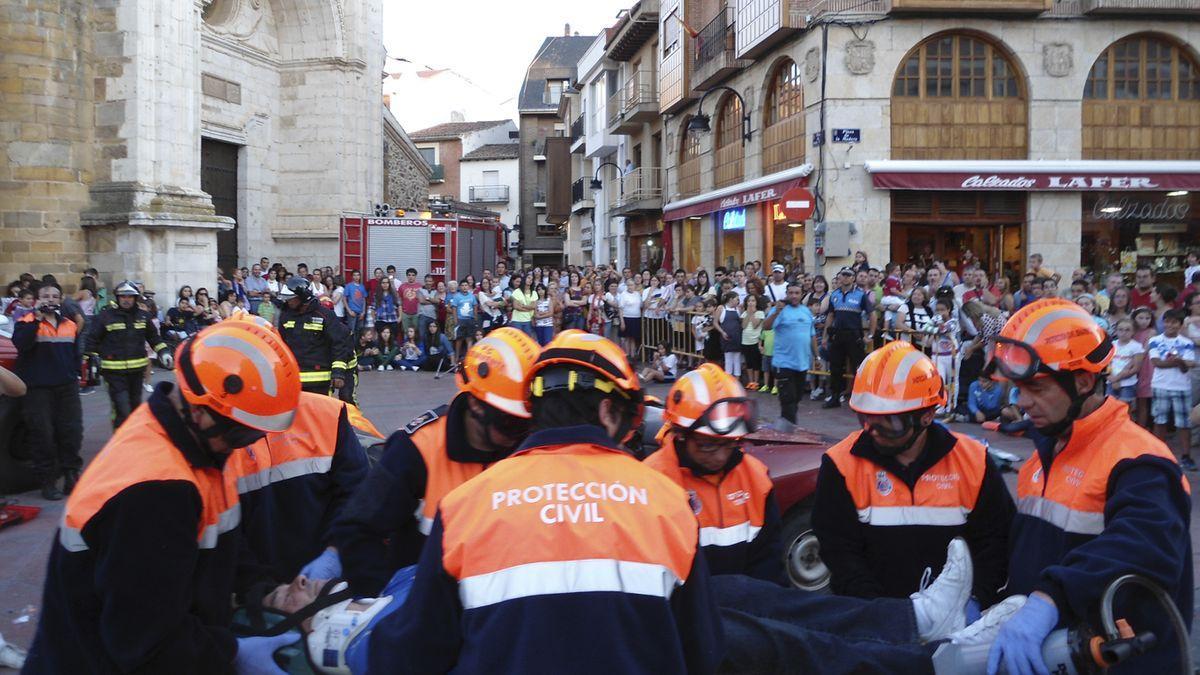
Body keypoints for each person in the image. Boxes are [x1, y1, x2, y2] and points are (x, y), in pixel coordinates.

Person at [367, 330, 723, 673]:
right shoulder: (671, 505)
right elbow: (703, 652)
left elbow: (414, 654)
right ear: (606, 411)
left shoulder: (464, 506)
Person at [22, 322, 302, 673]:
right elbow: (145, 643)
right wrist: (230, 652)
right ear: (200, 412)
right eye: (244, 435)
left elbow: (216, 538)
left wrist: (263, 590)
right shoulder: (156, 493)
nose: (245, 445)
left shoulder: (190, 441)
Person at [987, 297, 1193, 673]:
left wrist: (1049, 600)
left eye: (1037, 388)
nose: (1023, 402)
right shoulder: (1046, 452)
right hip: (1059, 656)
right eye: (1018, 388)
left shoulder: (1141, 460)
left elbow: (1144, 546)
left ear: (1083, 381)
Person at [329, 328, 540, 596]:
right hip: (428, 602)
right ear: (475, 404)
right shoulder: (417, 450)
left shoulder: (527, 447)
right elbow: (358, 530)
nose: (519, 437)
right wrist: (387, 604)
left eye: (528, 425)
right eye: (510, 424)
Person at [813, 341, 1014, 609]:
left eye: (891, 423)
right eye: (866, 419)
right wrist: (879, 612)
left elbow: (996, 541)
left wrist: (975, 599)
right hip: (869, 615)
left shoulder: (973, 461)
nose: (873, 431)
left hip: (955, 619)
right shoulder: (841, 463)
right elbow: (838, 548)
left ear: (927, 416)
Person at [644, 363, 782, 583]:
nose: (720, 457)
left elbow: (769, 561)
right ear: (681, 434)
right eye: (707, 445)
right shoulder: (651, 483)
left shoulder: (756, 479)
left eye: (730, 444)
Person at [12, 282, 84, 501]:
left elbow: (73, 354)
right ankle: (48, 481)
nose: (50, 299)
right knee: (43, 435)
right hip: (38, 389)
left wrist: (74, 375)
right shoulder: (26, 322)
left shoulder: (69, 324)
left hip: (66, 387)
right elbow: (21, 345)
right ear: (37, 299)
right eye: (45, 296)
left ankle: (71, 475)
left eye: (55, 296)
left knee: (71, 432)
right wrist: (37, 318)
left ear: (60, 300)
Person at [84, 280, 172, 430]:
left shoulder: (143, 316)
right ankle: (119, 436)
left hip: (137, 371)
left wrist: (164, 352)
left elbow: (154, 338)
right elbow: (92, 340)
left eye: (130, 296)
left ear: (135, 298)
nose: (126, 299)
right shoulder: (105, 317)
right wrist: (90, 362)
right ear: (117, 298)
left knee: (135, 407)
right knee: (121, 407)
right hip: (113, 372)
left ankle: (131, 439)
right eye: (123, 296)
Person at [1148, 309, 1197, 470]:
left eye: (1174, 322)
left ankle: (1186, 456)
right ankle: (1158, 454)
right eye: (1167, 321)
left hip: (1181, 386)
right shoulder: (1154, 340)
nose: (1170, 325)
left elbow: (1187, 367)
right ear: (1163, 322)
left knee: (1184, 423)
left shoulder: (1187, 342)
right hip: (1160, 385)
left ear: (1180, 325)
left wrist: (1179, 362)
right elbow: (1157, 363)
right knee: (1159, 420)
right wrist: (1180, 361)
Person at [825, 267, 874, 409]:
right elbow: (830, 316)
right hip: (837, 335)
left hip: (854, 335)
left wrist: (870, 334)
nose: (845, 278)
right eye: (843, 275)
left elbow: (872, 315)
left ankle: (862, 399)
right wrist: (825, 337)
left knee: (858, 368)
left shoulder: (861, 295)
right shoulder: (834, 294)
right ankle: (835, 397)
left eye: (849, 275)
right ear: (839, 277)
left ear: (853, 278)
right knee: (835, 367)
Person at [1108, 318, 1144, 405]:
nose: (1123, 333)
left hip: (1128, 383)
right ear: (1116, 331)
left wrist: (1117, 378)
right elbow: (1107, 364)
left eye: (1127, 330)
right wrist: (1111, 378)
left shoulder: (1136, 347)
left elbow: (1136, 368)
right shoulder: (1112, 345)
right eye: (1120, 330)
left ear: (1133, 332)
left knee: (1124, 409)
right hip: (1111, 381)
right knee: (1109, 407)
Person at [740, 295, 765, 390]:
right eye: (749, 301)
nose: (751, 303)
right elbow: (743, 325)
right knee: (748, 362)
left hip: (755, 340)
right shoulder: (744, 313)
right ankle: (750, 381)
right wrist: (747, 313)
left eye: (753, 301)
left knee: (756, 363)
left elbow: (755, 325)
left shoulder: (760, 313)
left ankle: (756, 381)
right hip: (745, 340)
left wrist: (751, 313)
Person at [398, 268, 422, 338]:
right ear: (407, 276)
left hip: (416, 313)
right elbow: (399, 300)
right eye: (409, 275)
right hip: (405, 313)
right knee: (406, 332)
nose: (411, 276)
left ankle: (415, 347)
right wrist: (400, 312)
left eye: (413, 275)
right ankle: (406, 347)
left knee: (416, 332)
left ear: (415, 276)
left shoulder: (420, 286)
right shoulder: (402, 286)